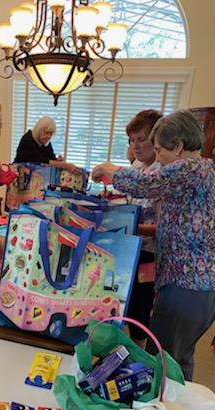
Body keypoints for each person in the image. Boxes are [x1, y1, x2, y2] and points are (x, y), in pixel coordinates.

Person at [91, 109, 215, 380]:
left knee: (165, 362)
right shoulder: (205, 169)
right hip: (194, 286)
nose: (158, 158)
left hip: (187, 284)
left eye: (160, 150)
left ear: (179, 145)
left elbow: (147, 183)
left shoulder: (190, 168)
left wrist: (108, 170)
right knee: (177, 359)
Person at [125, 109, 163, 348]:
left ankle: (138, 353)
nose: (136, 146)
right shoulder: (138, 165)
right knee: (126, 301)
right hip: (131, 248)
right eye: (132, 140)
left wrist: (130, 225)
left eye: (141, 139)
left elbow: (161, 227)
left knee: (141, 304)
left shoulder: (162, 172)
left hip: (148, 255)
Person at [14, 116, 81, 173]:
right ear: (38, 130)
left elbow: (51, 159)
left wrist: (58, 161)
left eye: (51, 134)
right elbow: (41, 160)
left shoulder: (45, 142)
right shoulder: (28, 139)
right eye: (46, 132)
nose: (49, 136)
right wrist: (64, 165)